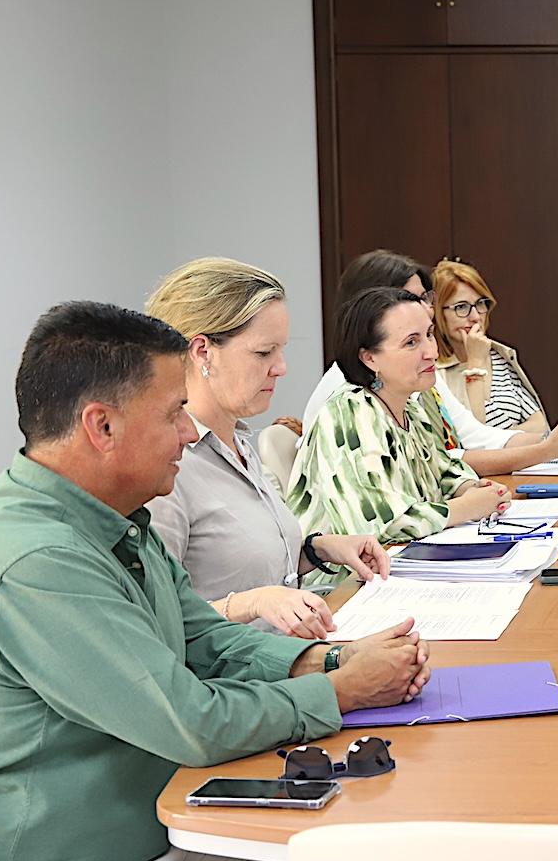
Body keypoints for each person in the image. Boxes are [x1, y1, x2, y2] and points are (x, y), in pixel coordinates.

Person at [0, 301, 433, 861]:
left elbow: (205, 638)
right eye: (172, 414)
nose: (190, 432)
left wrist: (328, 658)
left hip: (135, 855)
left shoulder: (112, 521)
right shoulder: (32, 559)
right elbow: (191, 722)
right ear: (102, 426)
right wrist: (343, 689)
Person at [144, 257, 389, 638]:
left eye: (281, 350)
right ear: (202, 351)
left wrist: (318, 549)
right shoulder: (167, 468)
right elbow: (154, 619)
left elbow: (240, 563)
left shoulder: (238, 439)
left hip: (284, 657)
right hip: (236, 683)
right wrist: (252, 603)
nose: (281, 367)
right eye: (264, 353)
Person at [287, 287, 517, 579]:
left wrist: (473, 489)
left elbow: (444, 471)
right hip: (339, 589)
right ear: (369, 358)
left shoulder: (411, 406)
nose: (431, 352)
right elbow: (379, 527)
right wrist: (467, 507)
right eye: (411, 342)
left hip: (406, 567)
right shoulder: (349, 414)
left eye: (429, 335)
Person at [303, 249, 558, 476]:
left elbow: (472, 438)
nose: (425, 311)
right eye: (411, 300)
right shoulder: (346, 398)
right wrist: (547, 450)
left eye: (425, 299)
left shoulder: (417, 375)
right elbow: (437, 470)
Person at [432, 257, 549, 435]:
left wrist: (499, 442)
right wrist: (475, 362)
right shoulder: (434, 372)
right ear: (438, 312)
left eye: (480, 304)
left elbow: (540, 425)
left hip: (525, 461)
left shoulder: (498, 355)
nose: (475, 317)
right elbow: (472, 437)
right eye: (461, 307)